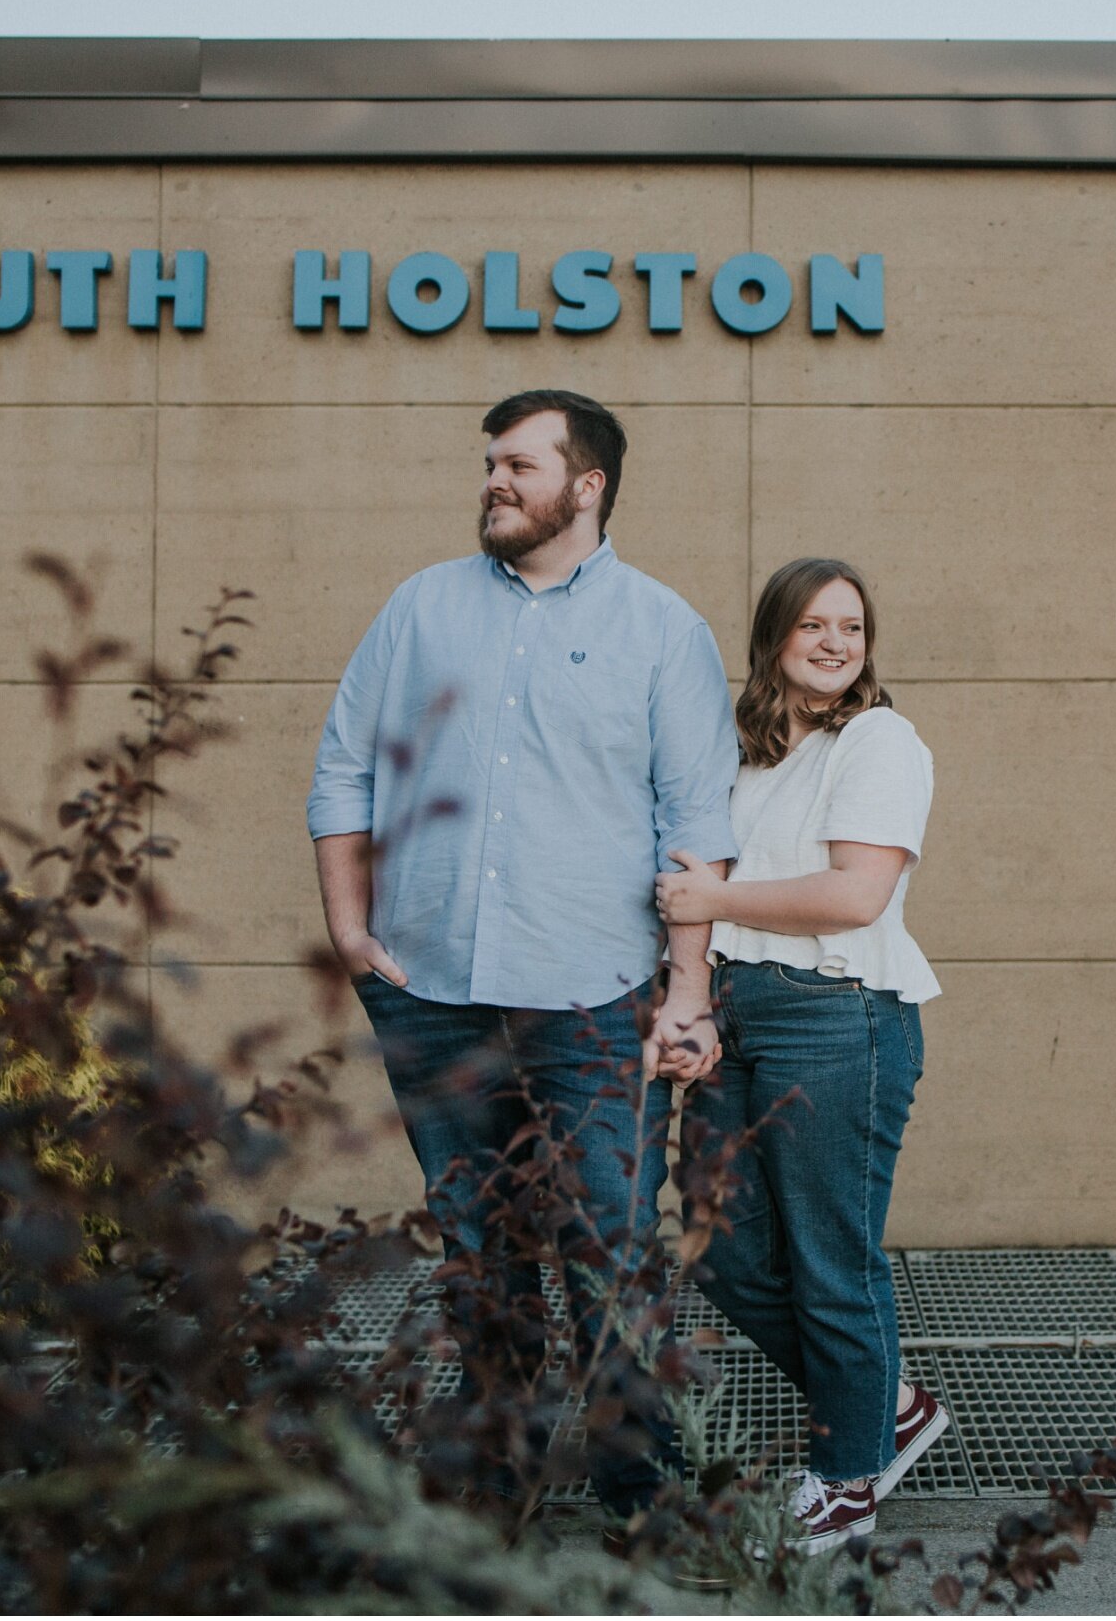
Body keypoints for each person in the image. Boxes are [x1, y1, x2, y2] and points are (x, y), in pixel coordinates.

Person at [306, 388, 738, 1524]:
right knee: (478, 1250)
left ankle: (634, 1493)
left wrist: (686, 993)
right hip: (432, 997)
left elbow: (695, 825)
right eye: (489, 464)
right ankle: (490, 1485)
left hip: (596, 1004)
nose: (494, 480)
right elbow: (344, 766)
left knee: (607, 1250)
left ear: (584, 485)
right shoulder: (418, 609)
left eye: (518, 465)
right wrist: (352, 930)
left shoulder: (661, 629)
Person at [653, 557, 949, 1555]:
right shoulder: (749, 755)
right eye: (813, 624)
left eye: (852, 627)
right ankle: (889, 1404)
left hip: (837, 1016)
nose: (833, 641)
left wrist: (715, 902)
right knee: (720, 1242)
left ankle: (849, 1470)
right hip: (739, 1014)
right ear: (774, 636)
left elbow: (853, 894)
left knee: (831, 1255)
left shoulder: (879, 740)